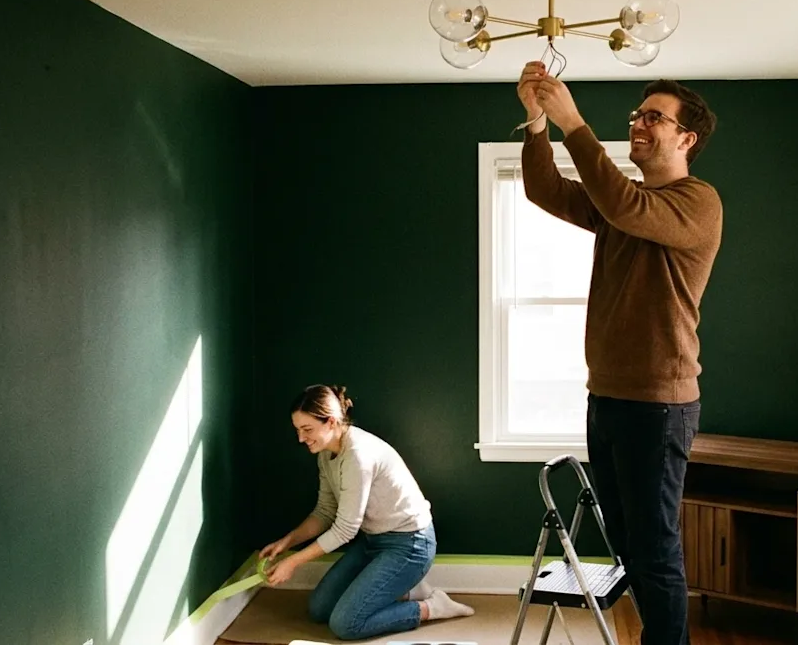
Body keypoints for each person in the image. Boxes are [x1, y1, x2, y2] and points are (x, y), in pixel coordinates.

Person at [515, 61, 723, 645]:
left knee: (655, 554)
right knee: (630, 549)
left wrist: (573, 121)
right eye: (637, 114)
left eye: (654, 117)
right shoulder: (618, 205)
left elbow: (628, 207)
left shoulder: (696, 202)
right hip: (606, 398)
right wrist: (536, 122)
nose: (638, 123)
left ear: (687, 138)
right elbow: (544, 189)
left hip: (658, 408)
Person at [261, 384, 474, 640]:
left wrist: (293, 562)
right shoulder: (326, 454)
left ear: (330, 422)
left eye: (307, 430)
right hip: (373, 541)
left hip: (410, 545)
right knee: (319, 609)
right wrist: (287, 542)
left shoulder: (358, 456)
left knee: (345, 625)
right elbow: (325, 512)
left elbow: (345, 529)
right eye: (298, 430)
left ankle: (432, 606)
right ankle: (407, 590)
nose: (301, 438)